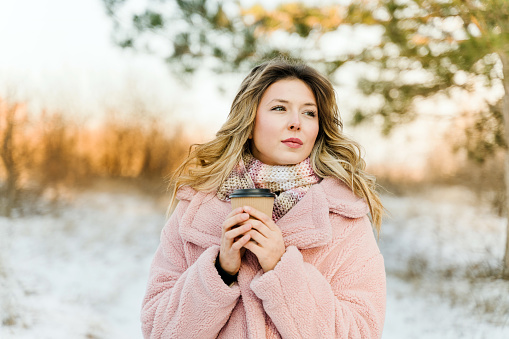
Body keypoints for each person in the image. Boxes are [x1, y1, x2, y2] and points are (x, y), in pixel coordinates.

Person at [141, 58, 386, 338]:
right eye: (280, 108)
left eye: (309, 113)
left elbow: (360, 332)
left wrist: (282, 268)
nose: (296, 123)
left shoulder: (343, 217)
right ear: (249, 120)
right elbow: (158, 331)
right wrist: (220, 271)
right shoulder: (196, 209)